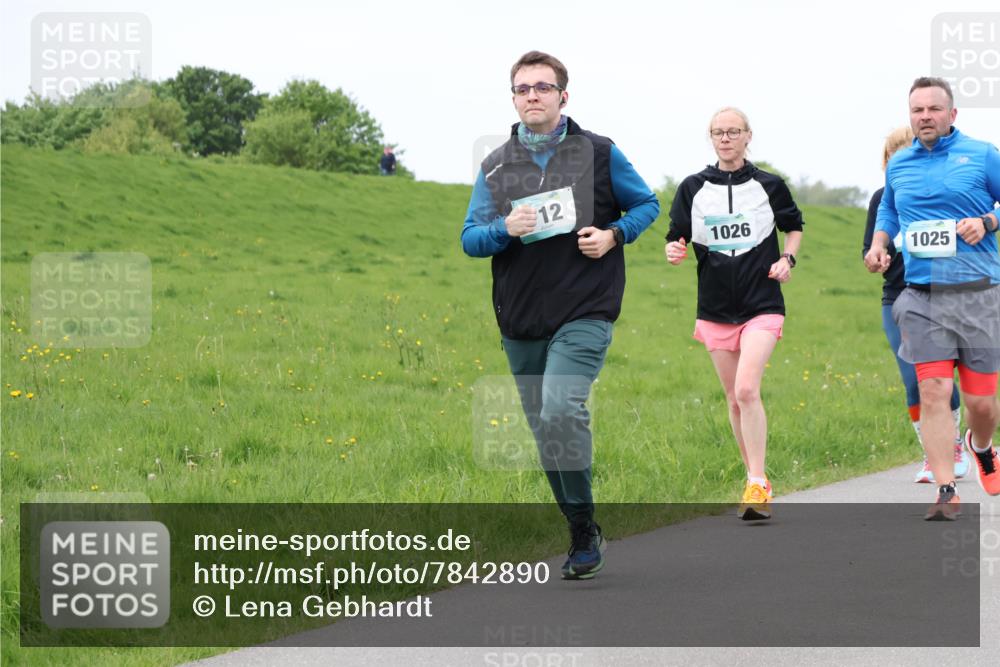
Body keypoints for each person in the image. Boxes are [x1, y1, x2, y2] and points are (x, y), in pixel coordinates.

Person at [461, 51, 659, 579]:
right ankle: (581, 527)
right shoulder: (497, 165)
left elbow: (647, 204)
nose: (532, 96)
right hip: (521, 319)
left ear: (563, 96)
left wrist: (615, 234)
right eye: (523, 89)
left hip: (585, 309)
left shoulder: (599, 152)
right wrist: (506, 229)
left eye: (543, 88)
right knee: (546, 434)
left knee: (559, 410)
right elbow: (470, 239)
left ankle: (582, 523)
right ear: (513, 98)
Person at [865, 77, 1000, 520]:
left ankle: (981, 446)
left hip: (979, 293)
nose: (925, 116)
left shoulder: (982, 155)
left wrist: (988, 222)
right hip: (921, 296)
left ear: (952, 114)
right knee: (934, 389)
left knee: (981, 403)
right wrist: (880, 242)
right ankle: (945, 490)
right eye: (917, 110)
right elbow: (889, 210)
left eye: (933, 109)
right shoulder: (899, 165)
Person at [665, 107, 803, 521]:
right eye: (717, 133)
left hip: (762, 302)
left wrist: (787, 260)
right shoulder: (692, 188)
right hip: (714, 308)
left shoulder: (769, 185)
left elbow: (794, 227)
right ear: (711, 139)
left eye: (733, 132)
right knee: (732, 397)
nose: (725, 139)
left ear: (748, 136)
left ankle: (758, 481)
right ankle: (752, 478)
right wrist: (674, 249)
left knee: (746, 390)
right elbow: (677, 237)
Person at [862, 127, 970, 484]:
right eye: (894, 154)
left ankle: (955, 445)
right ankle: (933, 452)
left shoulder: (947, 193)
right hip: (898, 299)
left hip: (949, 293)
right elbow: (870, 248)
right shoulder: (882, 198)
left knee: (942, 379)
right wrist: (877, 257)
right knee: (914, 380)